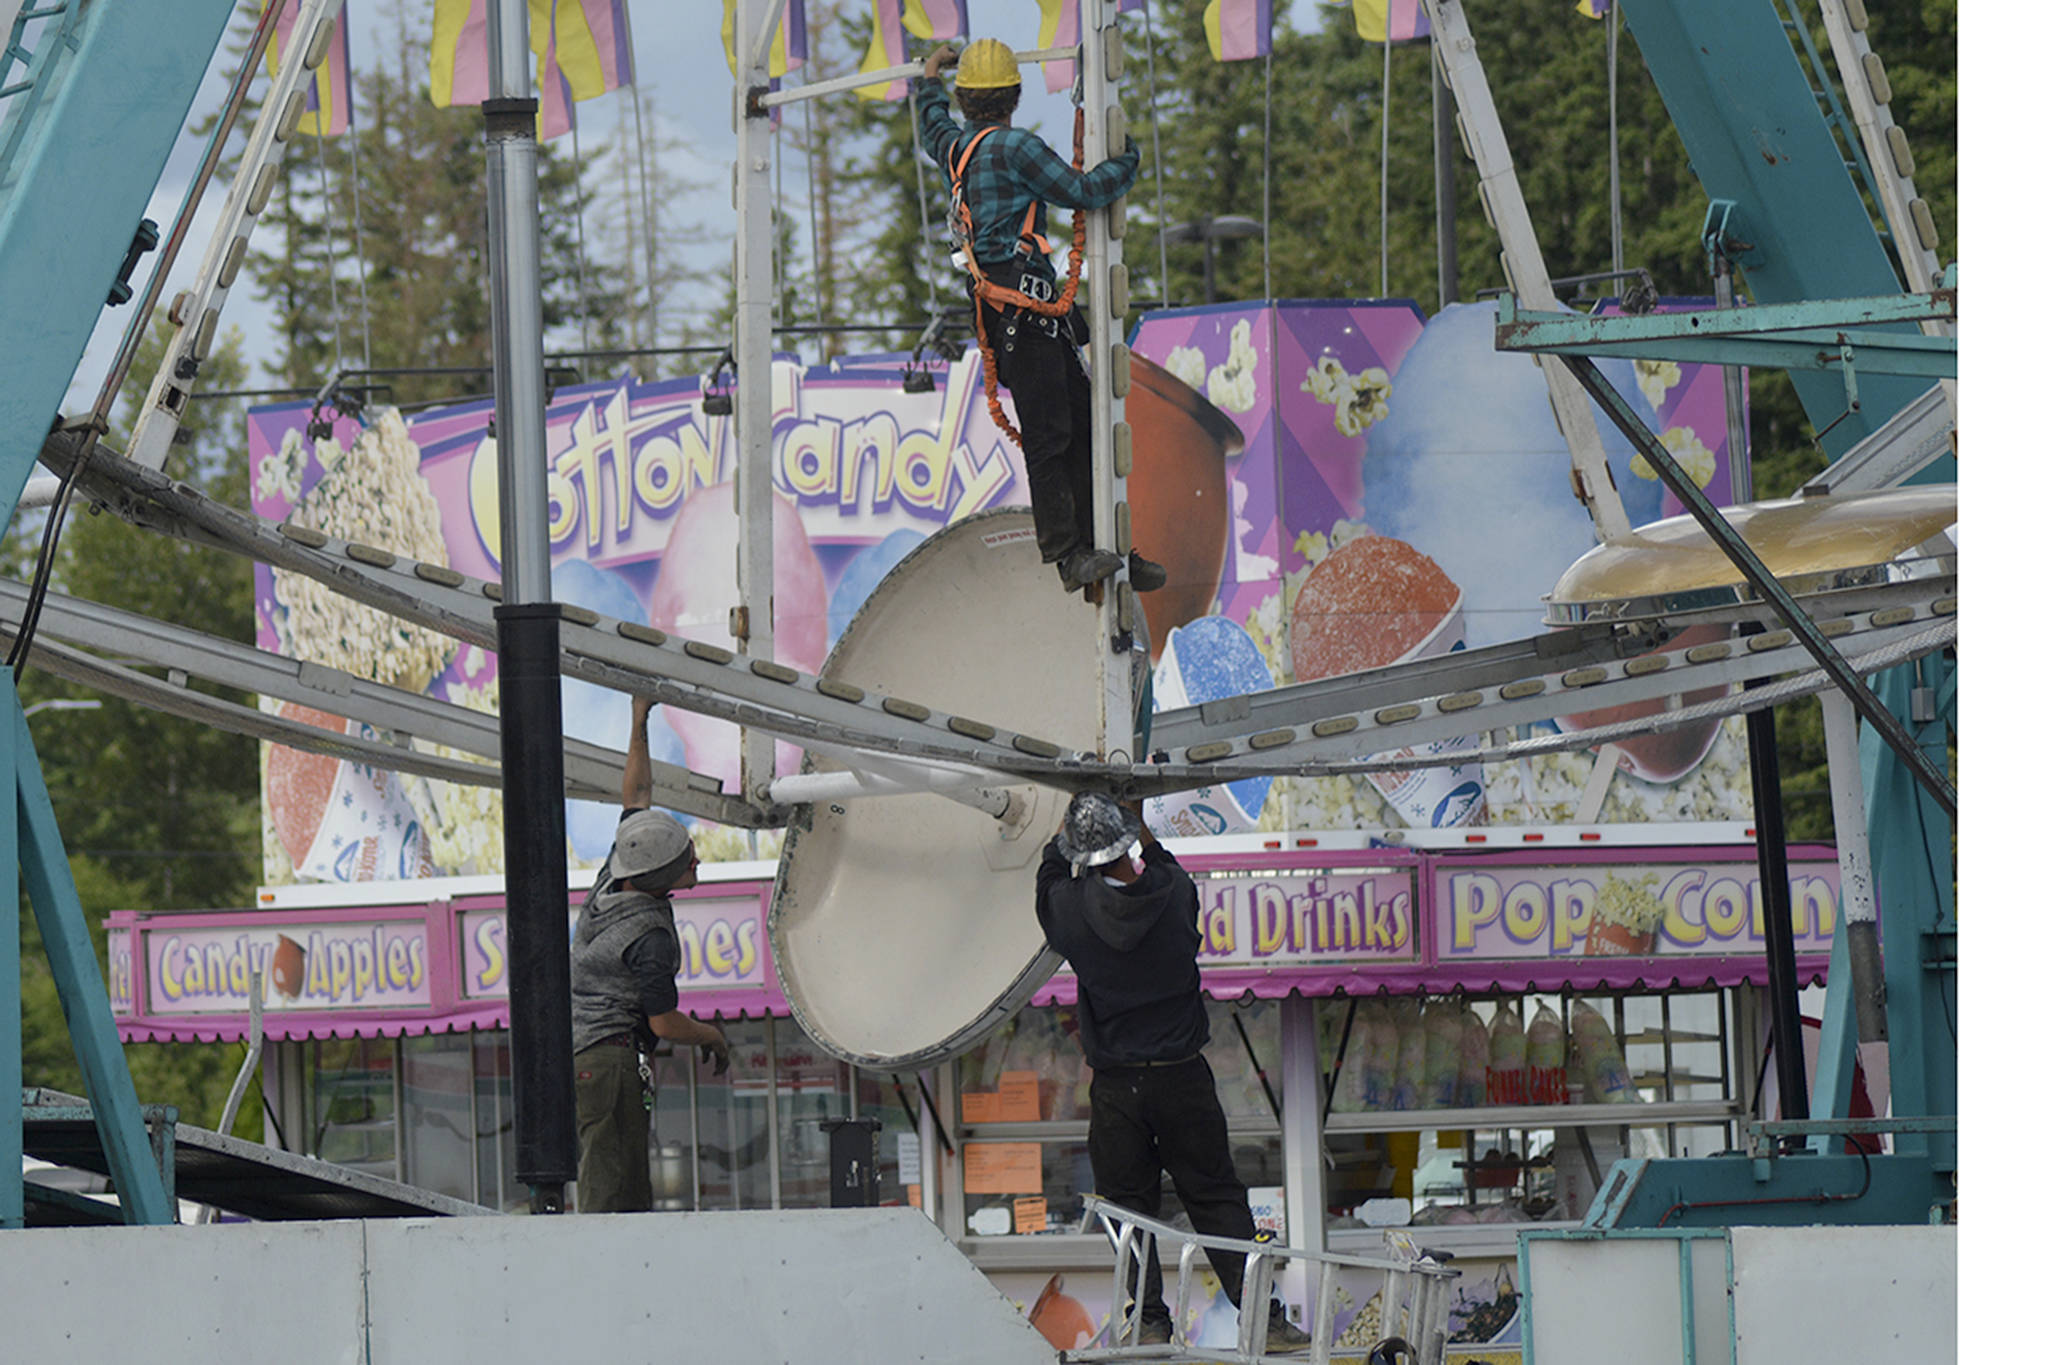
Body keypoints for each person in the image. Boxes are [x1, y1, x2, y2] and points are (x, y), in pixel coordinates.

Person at [1034, 793, 1312, 1350]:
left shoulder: (1069, 913)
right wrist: (1138, 826)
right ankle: (1263, 1319)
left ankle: (1151, 1318)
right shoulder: (1174, 895)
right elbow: (1161, 864)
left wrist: (1064, 829)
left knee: (1127, 1208)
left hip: (1117, 1087)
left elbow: (1047, 879)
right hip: (1183, 1076)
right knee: (1215, 1196)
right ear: (1125, 846)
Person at [914, 39, 1170, 597]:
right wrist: (1126, 162)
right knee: (1059, 434)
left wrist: (929, 77)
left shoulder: (955, 148)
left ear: (965, 99)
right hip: (1024, 314)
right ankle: (1069, 554)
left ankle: (1109, 551)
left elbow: (931, 122)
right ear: (1014, 96)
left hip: (1018, 317)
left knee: (1078, 426)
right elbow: (1080, 191)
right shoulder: (1013, 149)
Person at [571, 695, 731, 1212]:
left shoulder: (614, 874)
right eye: (688, 861)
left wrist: (640, 718)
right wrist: (710, 1035)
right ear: (663, 878)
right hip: (613, 1060)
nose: (696, 860)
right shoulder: (650, 938)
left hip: (585, 1055)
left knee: (611, 1179)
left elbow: (637, 790)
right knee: (614, 1195)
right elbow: (662, 1023)